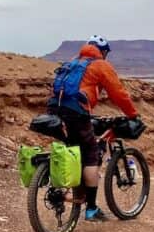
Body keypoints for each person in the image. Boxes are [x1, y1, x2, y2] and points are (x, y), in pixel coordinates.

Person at [47, 35, 140, 221]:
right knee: (90, 154)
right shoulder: (100, 65)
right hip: (76, 113)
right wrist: (133, 114)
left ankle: (67, 190)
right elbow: (118, 94)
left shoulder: (73, 62)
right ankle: (91, 209)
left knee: (72, 149)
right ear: (103, 51)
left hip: (54, 111)